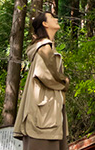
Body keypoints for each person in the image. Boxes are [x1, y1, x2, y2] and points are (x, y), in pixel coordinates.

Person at [14, 11, 70, 150]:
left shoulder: (45, 47)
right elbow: (46, 75)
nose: (56, 19)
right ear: (45, 24)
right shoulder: (44, 48)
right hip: (44, 111)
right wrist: (65, 82)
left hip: (47, 109)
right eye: (52, 17)